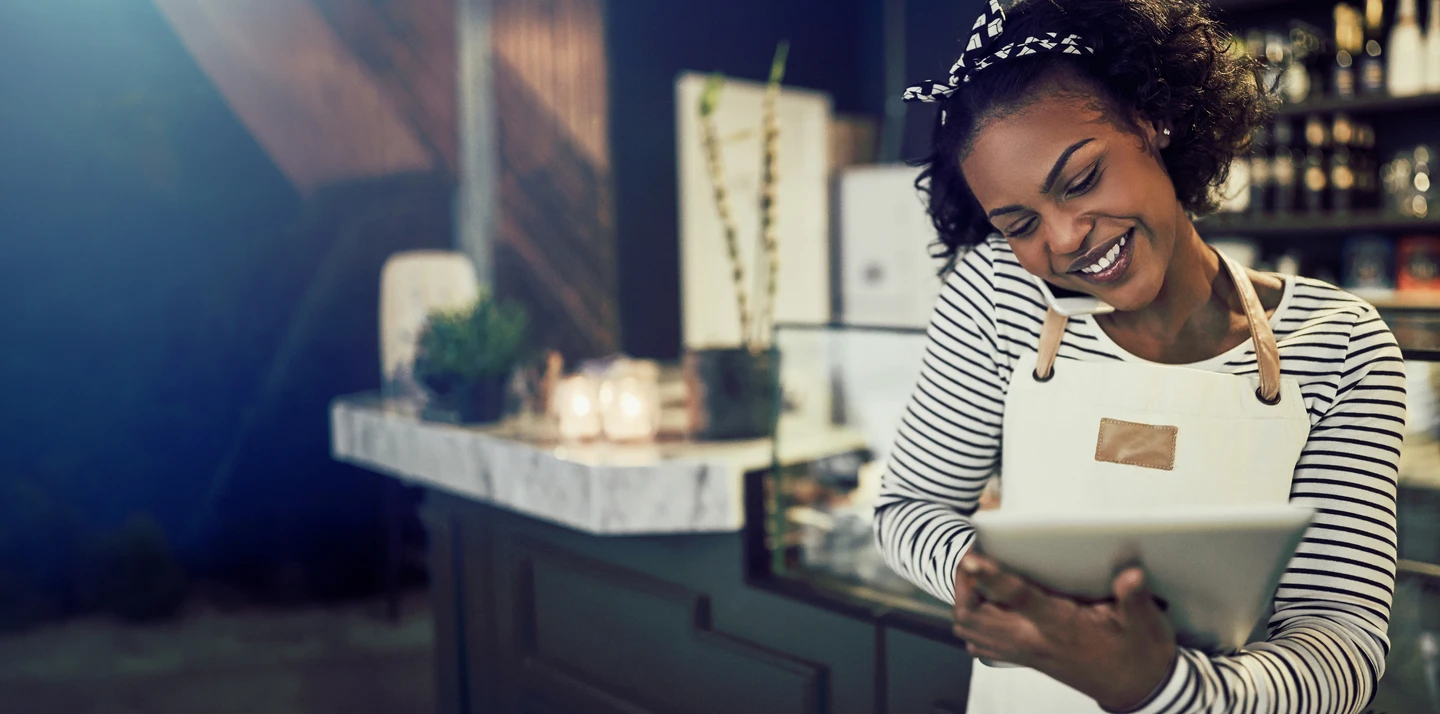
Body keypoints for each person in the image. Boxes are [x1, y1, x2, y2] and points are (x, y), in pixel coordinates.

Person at [873, 1, 1407, 712]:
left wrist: (1165, 689)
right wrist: (995, 582)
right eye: (1021, 224)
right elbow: (908, 510)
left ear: (1153, 117)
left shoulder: (1341, 343)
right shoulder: (999, 295)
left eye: (1082, 179)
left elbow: (1341, 637)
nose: (1063, 240)